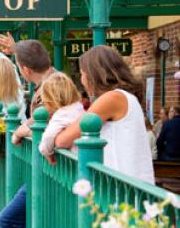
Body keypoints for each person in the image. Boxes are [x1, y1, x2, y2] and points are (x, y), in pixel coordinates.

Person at [0, 38, 54, 228]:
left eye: (20, 67)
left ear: (26, 70)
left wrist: (20, 130)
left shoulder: (52, 86)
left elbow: (49, 117)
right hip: (44, 169)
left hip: (50, 172)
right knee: (16, 220)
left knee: (8, 219)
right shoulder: (49, 82)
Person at [55, 45, 154, 184]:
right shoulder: (124, 97)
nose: (82, 80)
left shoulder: (112, 98)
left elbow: (62, 140)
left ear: (93, 74)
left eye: (82, 73)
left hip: (122, 187)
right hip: (130, 183)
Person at [38, 72, 85, 161]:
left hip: (73, 160)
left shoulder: (62, 115)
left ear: (51, 100)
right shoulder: (78, 108)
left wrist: (46, 152)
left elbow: (48, 136)